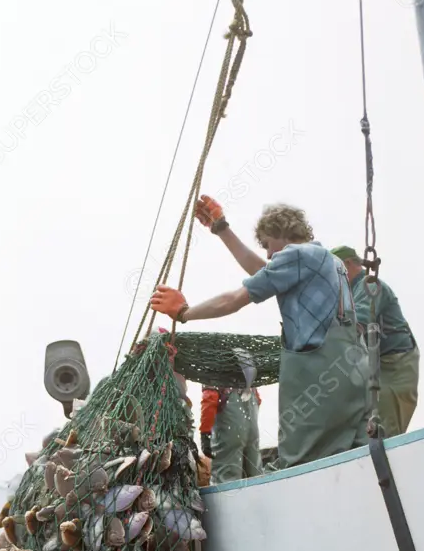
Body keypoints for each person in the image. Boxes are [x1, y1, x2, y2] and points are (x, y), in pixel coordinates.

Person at [150, 197, 370, 469]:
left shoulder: (297, 256)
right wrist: (222, 229)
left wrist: (184, 312)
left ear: (281, 232)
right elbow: (267, 273)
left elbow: (234, 299)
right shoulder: (329, 262)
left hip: (318, 377)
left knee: (303, 463)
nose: (267, 254)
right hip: (354, 375)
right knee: (353, 458)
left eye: (267, 245)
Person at [331, 246, 419, 438]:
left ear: (346, 264)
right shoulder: (351, 291)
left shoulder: (368, 284)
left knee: (388, 432)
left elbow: (358, 323)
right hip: (378, 367)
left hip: (394, 366)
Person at [200, 385, 262, 483]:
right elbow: (258, 400)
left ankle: (228, 496)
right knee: (254, 471)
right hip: (251, 420)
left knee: (226, 475)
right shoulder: (248, 372)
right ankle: (259, 494)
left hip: (229, 428)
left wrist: (205, 432)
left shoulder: (215, 372)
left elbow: (210, 397)